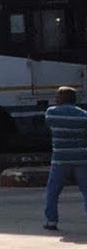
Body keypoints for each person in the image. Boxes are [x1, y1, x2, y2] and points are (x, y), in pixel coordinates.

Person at [43, 86, 87, 231]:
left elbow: (49, 125)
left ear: (61, 98)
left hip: (60, 159)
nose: (55, 98)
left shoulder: (51, 114)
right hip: (81, 159)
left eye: (57, 96)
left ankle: (51, 221)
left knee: (52, 192)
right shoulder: (83, 115)